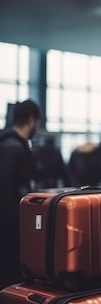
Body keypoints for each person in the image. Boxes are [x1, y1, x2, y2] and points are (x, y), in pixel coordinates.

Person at [0, 99, 41, 288]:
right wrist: (20, 219)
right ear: (31, 120)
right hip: (8, 226)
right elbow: (4, 187)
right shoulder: (13, 148)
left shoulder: (11, 145)